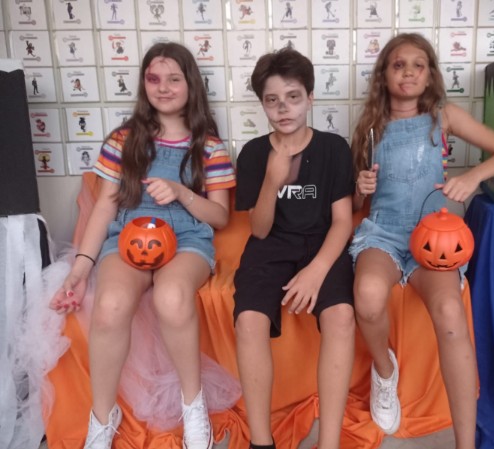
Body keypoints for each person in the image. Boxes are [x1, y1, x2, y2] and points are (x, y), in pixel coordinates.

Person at [50, 42, 236, 449]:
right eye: (154, 79)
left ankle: (193, 406)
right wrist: (80, 269)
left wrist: (182, 193)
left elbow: (221, 216)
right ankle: (103, 417)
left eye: (174, 79)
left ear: (191, 85)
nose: (163, 87)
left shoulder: (208, 147)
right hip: (127, 238)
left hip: (187, 239)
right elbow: (105, 206)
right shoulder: (124, 140)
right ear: (143, 84)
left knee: (172, 297)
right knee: (110, 305)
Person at [349, 33, 494, 449]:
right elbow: (356, 201)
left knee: (449, 311)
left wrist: (473, 176)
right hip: (384, 231)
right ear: (383, 75)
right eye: (398, 65)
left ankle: (465, 442)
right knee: (368, 295)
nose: (408, 72)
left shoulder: (444, 117)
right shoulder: (370, 127)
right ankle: (384, 371)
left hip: (434, 235)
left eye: (418, 65)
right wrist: (360, 187)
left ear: (430, 76)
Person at [233, 48, 355, 449]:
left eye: (293, 97)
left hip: (322, 244)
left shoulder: (334, 148)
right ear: (262, 104)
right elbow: (259, 229)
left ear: (310, 98)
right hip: (270, 247)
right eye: (272, 100)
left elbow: (342, 221)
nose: (283, 108)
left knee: (341, 317)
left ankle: (329, 443)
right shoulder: (254, 153)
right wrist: (273, 179)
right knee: (248, 321)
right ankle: (261, 441)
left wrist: (316, 271)